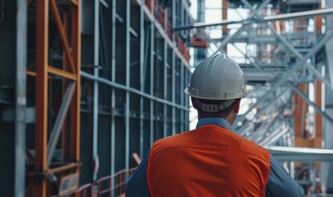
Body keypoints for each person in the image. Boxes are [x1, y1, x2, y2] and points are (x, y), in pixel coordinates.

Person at [126, 54, 304, 197]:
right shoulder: (260, 161)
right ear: (237, 104)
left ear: (193, 102)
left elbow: (132, 192)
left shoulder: (159, 154)